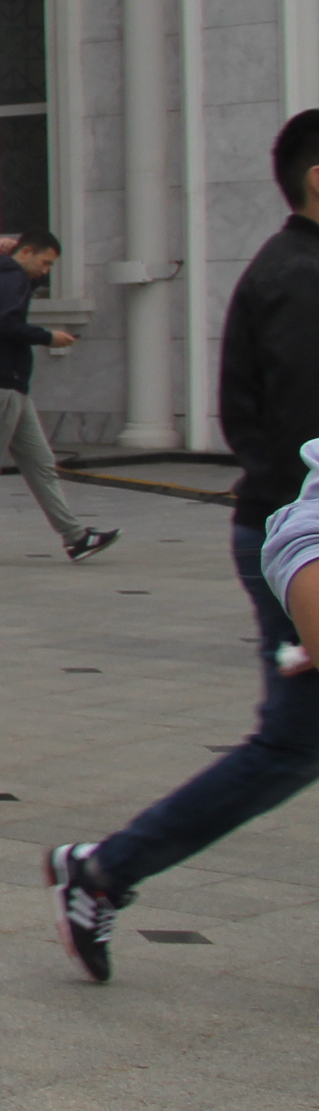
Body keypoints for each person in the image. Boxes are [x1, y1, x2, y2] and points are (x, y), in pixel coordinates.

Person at [47, 438, 319, 979]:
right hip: (283, 530)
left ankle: (104, 870)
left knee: (294, 746)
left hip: (276, 514)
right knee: (291, 746)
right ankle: (103, 871)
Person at [0, 230, 116, 567]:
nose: (46, 271)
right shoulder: (11, 278)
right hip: (2, 387)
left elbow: (9, 308)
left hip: (11, 387)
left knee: (40, 463)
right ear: (28, 252)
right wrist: (48, 337)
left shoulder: (9, 276)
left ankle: (75, 537)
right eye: (45, 263)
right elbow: (6, 323)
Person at [218, 109, 319, 691]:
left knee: (295, 730)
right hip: (298, 538)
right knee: (293, 733)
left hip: (282, 525)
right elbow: (304, 426)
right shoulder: (302, 277)